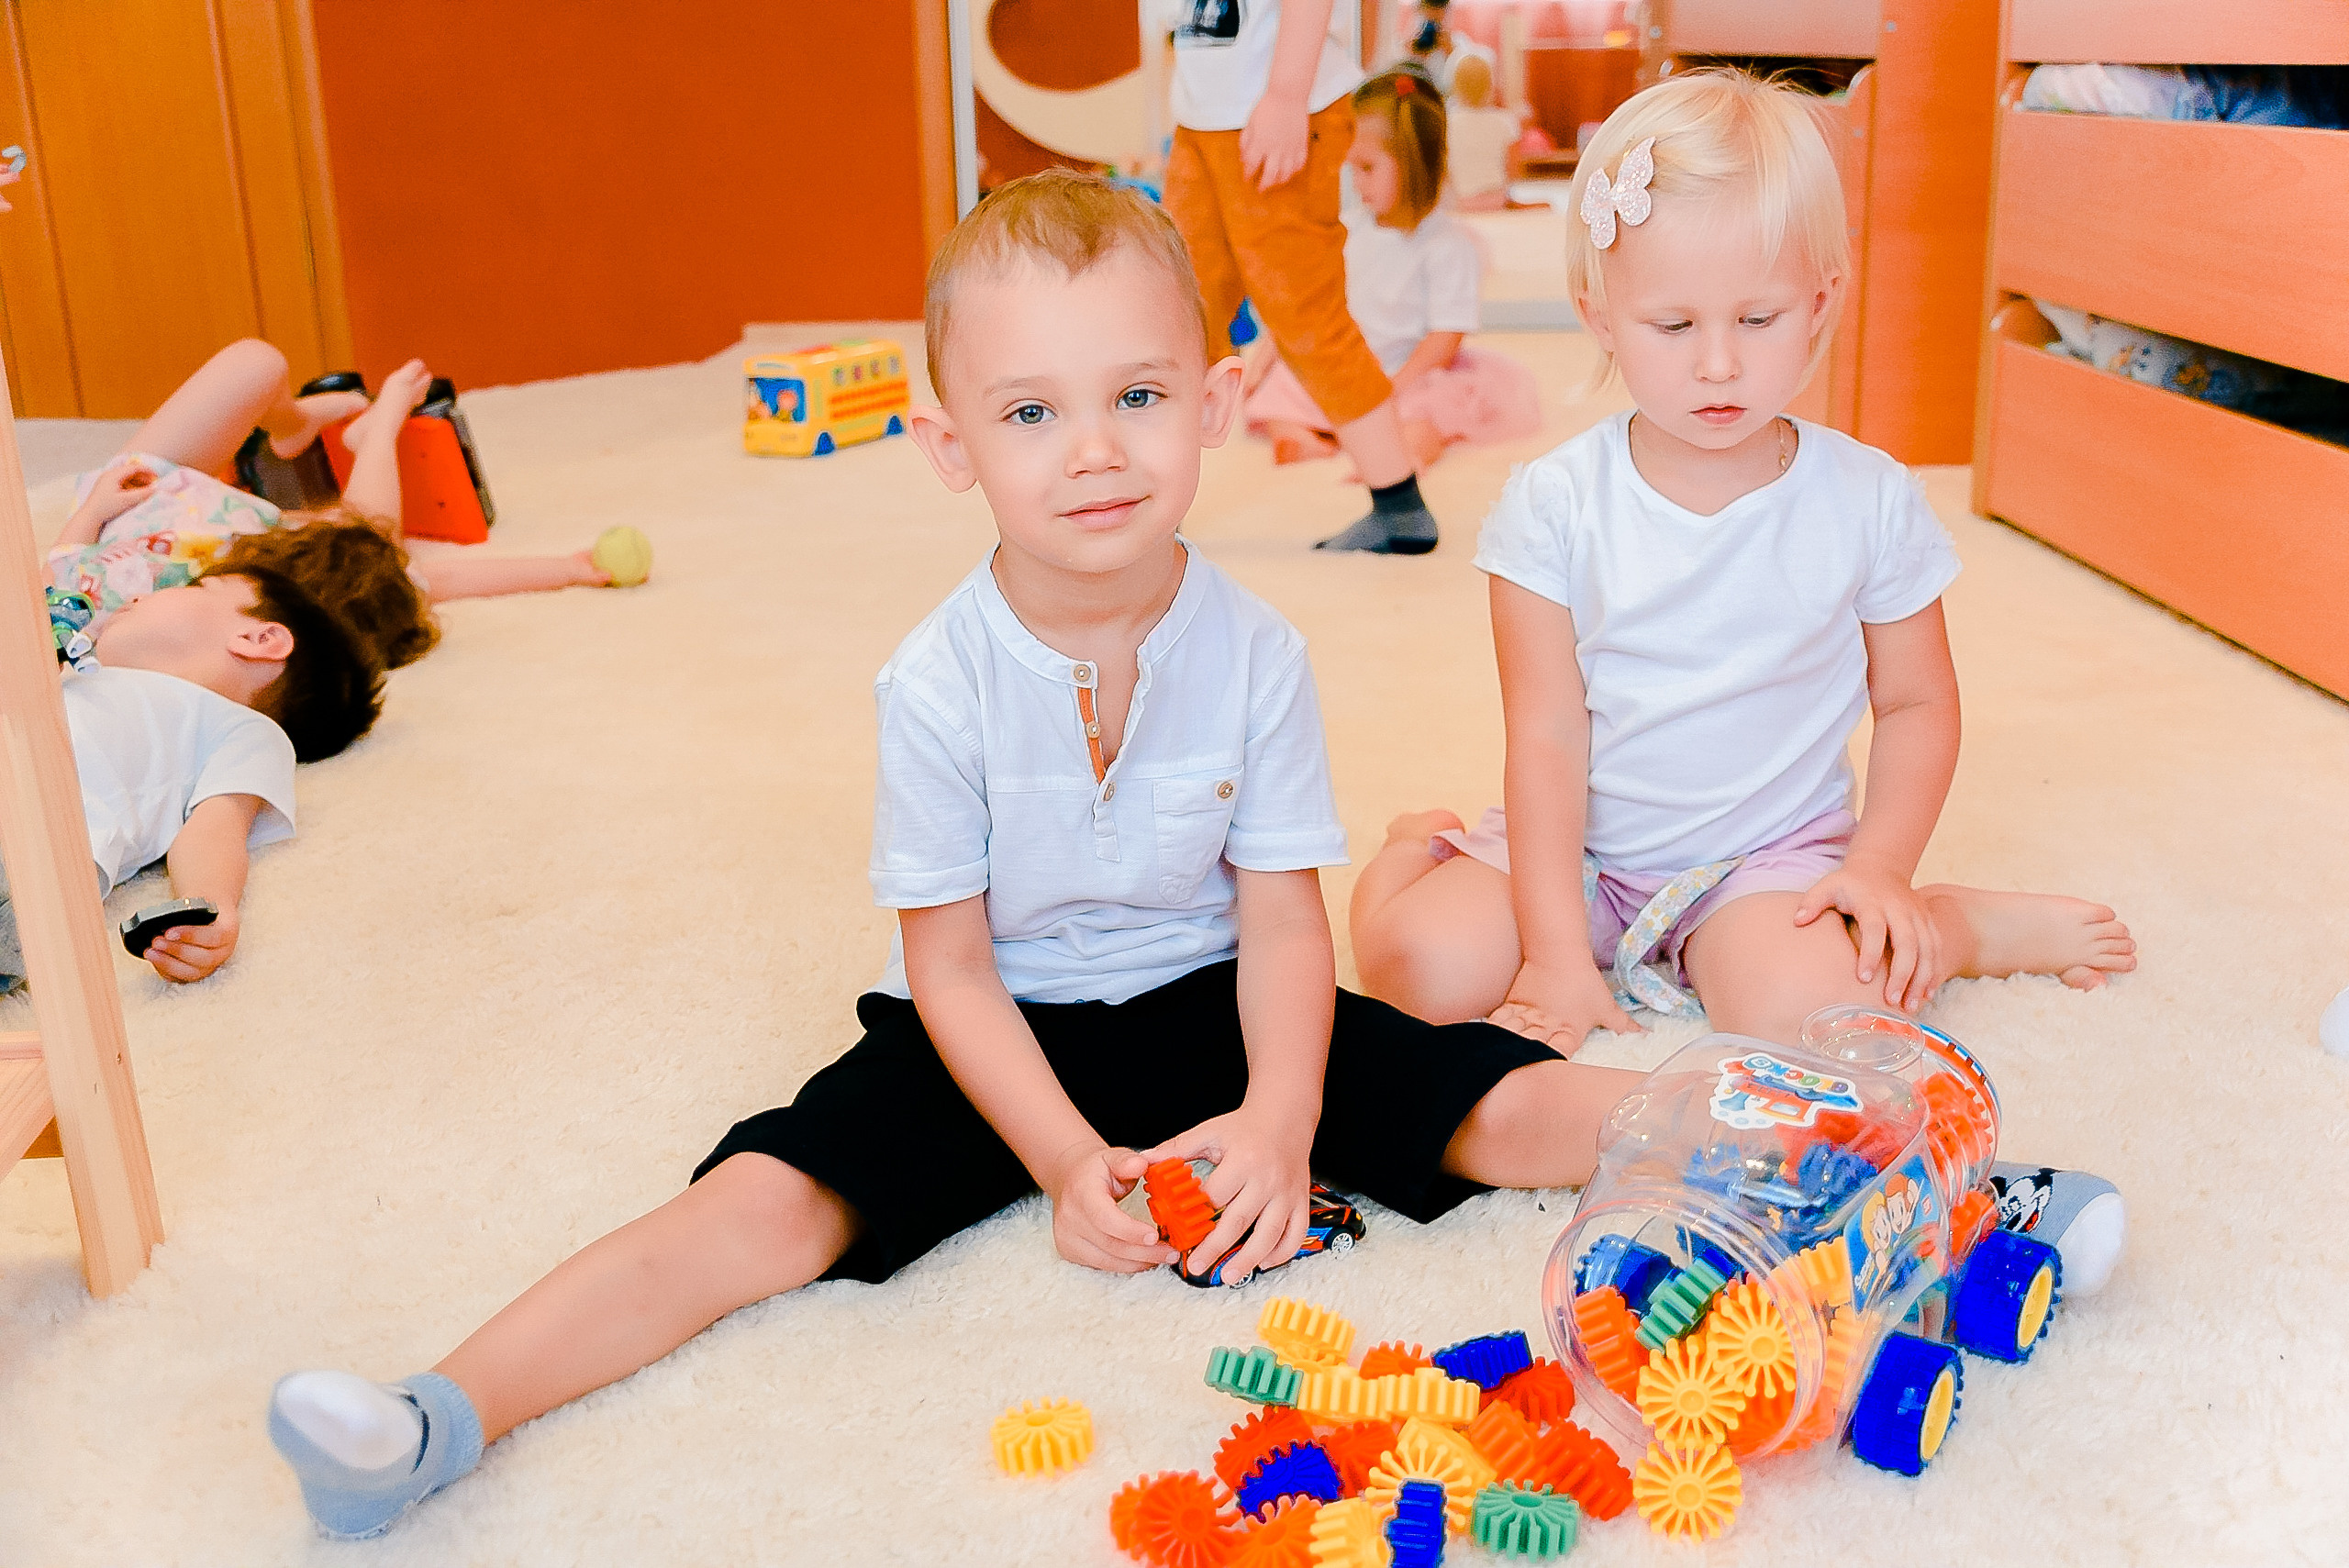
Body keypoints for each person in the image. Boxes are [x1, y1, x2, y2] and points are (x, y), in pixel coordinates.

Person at [261, 170, 1642, 1540]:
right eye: (1032, 413)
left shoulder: (1261, 653)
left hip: (1216, 1002)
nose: (1093, 450)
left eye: (1138, 397)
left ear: (1215, 404)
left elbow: (1285, 926)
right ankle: (434, 1415)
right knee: (759, 1208)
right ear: (948, 444)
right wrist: (1056, 1160)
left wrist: (1282, 1121)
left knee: (1501, 1103)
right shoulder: (932, 683)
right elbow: (954, 966)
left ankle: (1780, 1127)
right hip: (983, 1029)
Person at [1346, 72, 2139, 1054]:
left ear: (1820, 301)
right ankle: (1402, 849)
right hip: (1576, 857)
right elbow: (1545, 734)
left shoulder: (1867, 498)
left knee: (1823, 1020)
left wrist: (1881, 865)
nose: (1717, 363)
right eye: (1673, 326)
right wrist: (1552, 948)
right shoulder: (1554, 504)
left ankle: (1947, 919)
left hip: (1762, 864)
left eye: (1756, 320)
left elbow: (1917, 703)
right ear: (1599, 315)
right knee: (1417, 970)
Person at [48, 342, 649, 651]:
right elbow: (441, 580)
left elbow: (59, 576)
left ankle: (331, 425)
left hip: (141, 491)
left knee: (258, 362)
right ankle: (351, 424)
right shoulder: (331, 582)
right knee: (369, 541)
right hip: (220, 516)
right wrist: (569, 568)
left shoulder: (111, 616)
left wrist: (95, 508)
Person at [0, 557, 383, 992]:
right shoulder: (73, 674)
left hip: (33, 849)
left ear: (258, 638)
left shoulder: (243, 728)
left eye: (197, 586)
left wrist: (210, 908)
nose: (137, 596)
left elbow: (217, 826)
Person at [1163, 0, 1444, 553]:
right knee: (1178, 312)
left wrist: (1286, 97)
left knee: (1306, 314)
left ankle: (1399, 506)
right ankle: (1149, 508)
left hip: (1275, 116)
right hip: (1202, 121)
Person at [1242, 69, 1541, 472]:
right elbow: (1313, 298)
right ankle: (1295, 437)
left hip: (1410, 371)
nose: (1357, 181)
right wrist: (1272, 350)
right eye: (1353, 168)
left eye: (1368, 168)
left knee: (1430, 413)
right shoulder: (1349, 229)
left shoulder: (1446, 246)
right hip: (1348, 366)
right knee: (1283, 389)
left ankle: (1410, 454)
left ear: (1414, 165)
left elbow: (1444, 337)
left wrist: (1396, 385)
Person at [1444, 53, 1525, 210]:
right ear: (1490, 85)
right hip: (1497, 199)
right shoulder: (1506, 121)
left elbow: (1442, 172)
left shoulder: (1446, 122)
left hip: (1459, 201)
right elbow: (1515, 171)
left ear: (1456, 86)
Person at [1408, 0, 1495, 95]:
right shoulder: (1409, 45)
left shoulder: (1459, 43)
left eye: (1437, 23)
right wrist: (1412, 58)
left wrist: (1451, 53)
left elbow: (1473, 83)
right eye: (1428, 23)